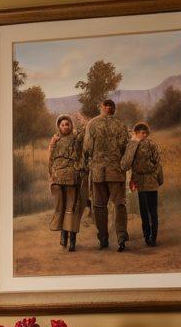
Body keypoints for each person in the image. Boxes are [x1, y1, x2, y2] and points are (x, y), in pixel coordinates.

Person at [83, 99, 130, 251]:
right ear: (114, 109)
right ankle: (121, 237)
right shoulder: (121, 125)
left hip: (98, 172)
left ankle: (103, 238)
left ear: (102, 107)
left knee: (99, 206)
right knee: (119, 204)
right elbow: (125, 147)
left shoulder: (92, 124)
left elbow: (88, 148)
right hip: (116, 171)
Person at [122, 122, 164, 246]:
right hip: (139, 181)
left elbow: (157, 163)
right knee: (144, 211)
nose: (143, 135)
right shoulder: (132, 145)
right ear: (136, 133)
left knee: (152, 210)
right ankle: (147, 235)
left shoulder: (152, 145)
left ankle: (153, 237)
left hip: (151, 182)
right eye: (140, 132)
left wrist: (154, 177)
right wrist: (132, 179)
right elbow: (128, 164)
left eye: (145, 132)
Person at [48, 115, 86, 252]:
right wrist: (51, 176)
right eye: (63, 124)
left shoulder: (76, 138)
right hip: (58, 178)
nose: (65, 126)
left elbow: (85, 131)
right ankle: (63, 236)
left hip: (72, 177)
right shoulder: (55, 140)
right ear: (58, 126)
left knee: (72, 207)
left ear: (71, 125)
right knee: (61, 207)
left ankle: (72, 241)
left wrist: (81, 120)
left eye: (68, 124)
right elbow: (50, 160)